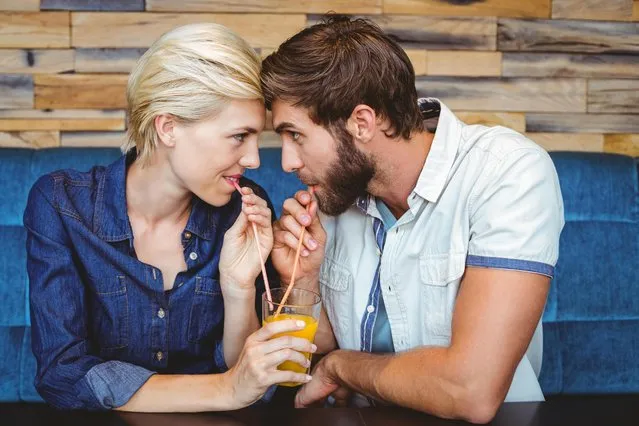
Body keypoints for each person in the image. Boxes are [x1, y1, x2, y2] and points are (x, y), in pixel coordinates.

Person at [262, 16, 564, 423]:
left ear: (362, 123)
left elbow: (471, 391)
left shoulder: (506, 172)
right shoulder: (339, 192)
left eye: (295, 135)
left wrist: (342, 367)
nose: (286, 162)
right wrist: (302, 280)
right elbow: (314, 357)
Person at [24, 23, 315, 412]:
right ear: (169, 127)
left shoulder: (242, 209)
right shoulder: (61, 206)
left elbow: (252, 380)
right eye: (238, 136)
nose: (254, 160)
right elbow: (62, 374)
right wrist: (225, 390)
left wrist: (237, 288)